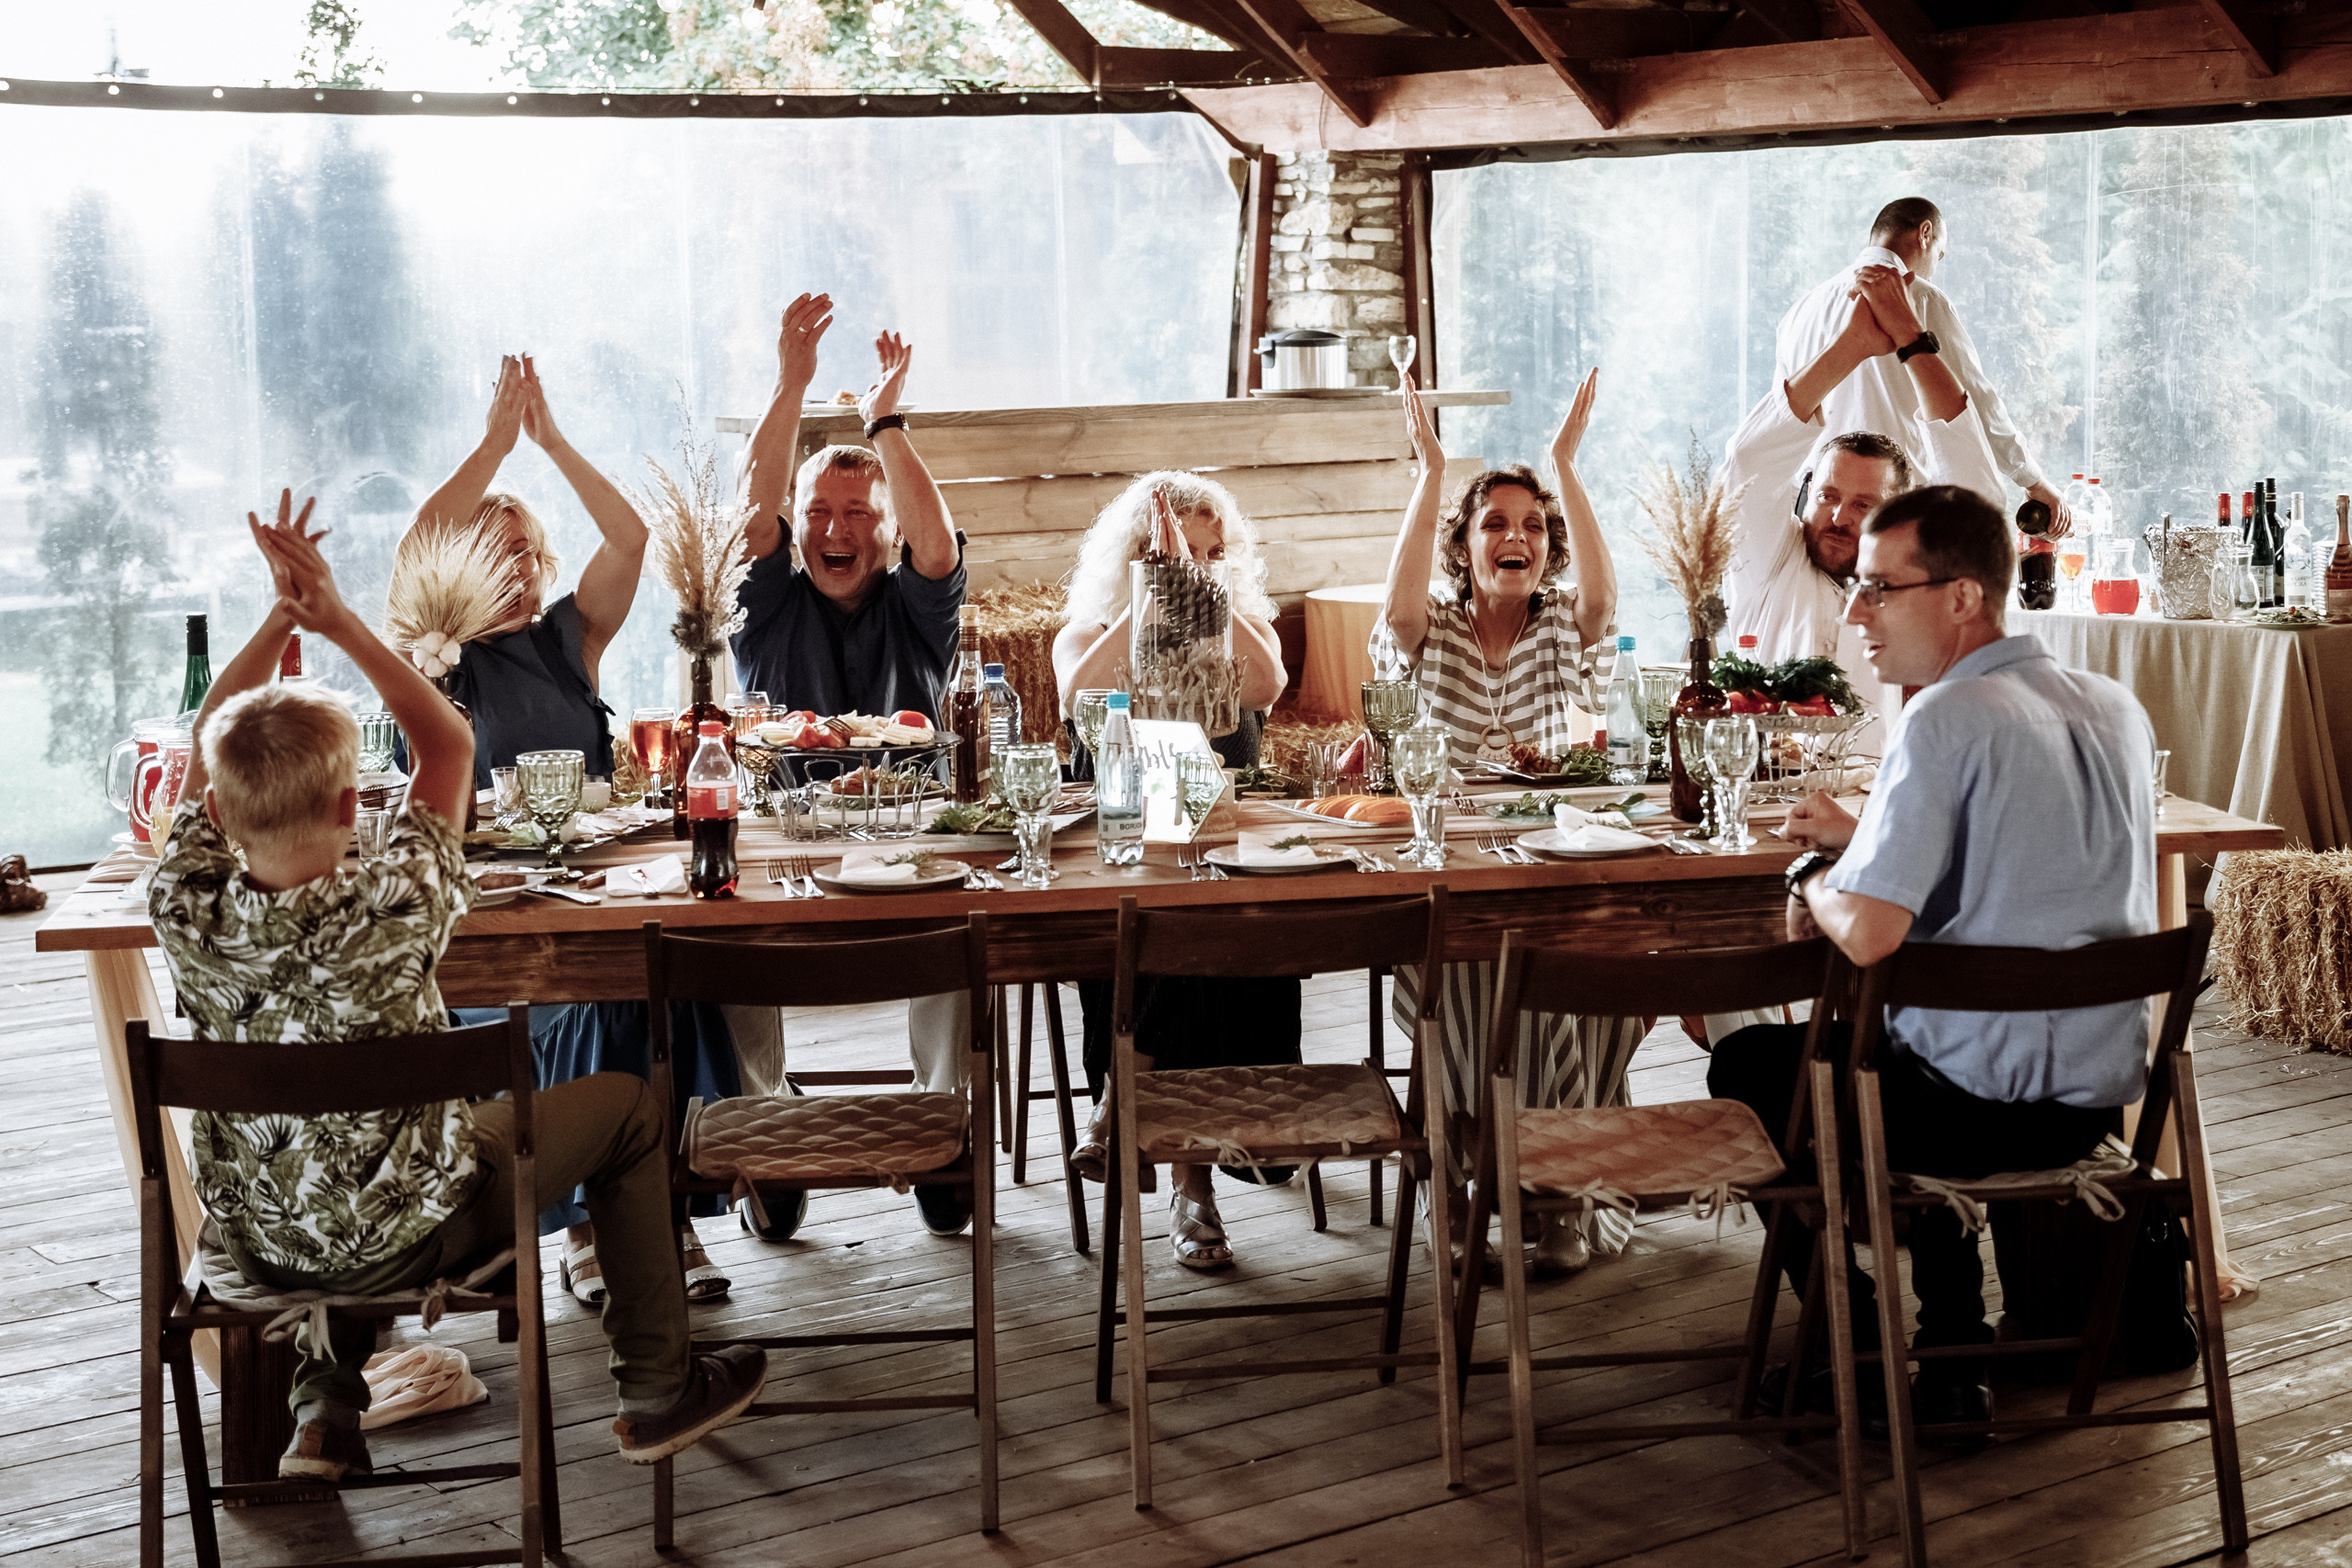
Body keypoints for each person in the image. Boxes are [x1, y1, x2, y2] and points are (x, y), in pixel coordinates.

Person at [150, 493, 763, 1483]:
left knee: (330, 1150)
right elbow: (447, 747)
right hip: (414, 1227)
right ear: (355, 803)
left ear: (217, 808)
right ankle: (656, 1387)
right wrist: (338, 618)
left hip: (259, 1241)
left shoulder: (185, 905)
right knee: (627, 1110)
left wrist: (279, 619)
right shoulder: (403, 895)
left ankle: (323, 1414)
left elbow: (199, 749)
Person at [1709, 483, 2157, 1430]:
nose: (1854, 612)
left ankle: (1863, 1338)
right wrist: (1867, 837)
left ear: (1963, 597)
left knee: (1755, 1061)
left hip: (1963, 1116)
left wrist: (1808, 882)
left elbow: (1869, 930)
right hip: (2088, 1111)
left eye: (1879, 589)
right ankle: (1951, 1351)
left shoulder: (1941, 718)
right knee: (1897, 1039)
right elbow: (2016, 864)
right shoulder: (2114, 705)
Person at [402, 355, 741, 1307]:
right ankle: (601, 1230)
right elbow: (418, 538)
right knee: (609, 993)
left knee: (665, 974)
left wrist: (550, 443)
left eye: (521, 554)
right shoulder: (437, 666)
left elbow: (631, 537)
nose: (511, 572)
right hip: (495, 936)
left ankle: (660, 1215)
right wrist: (494, 446)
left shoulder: (566, 643)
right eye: (487, 553)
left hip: (595, 893)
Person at [1369, 372, 1641, 1277]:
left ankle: (1561, 1202)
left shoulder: (1567, 621)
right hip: (1449, 870)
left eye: (1531, 526)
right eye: (1494, 524)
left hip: (1558, 865)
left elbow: (1603, 592)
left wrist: (1565, 465)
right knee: (1462, 998)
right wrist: (1431, 473)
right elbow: (1397, 610)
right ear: (1465, 548)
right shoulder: (1431, 631)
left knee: (1580, 987)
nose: (1514, 536)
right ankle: (1460, 1197)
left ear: (1548, 549)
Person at [729, 294, 975, 1241]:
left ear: (884, 529)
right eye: (819, 514)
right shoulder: (765, 598)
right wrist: (791, 385)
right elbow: (755, 509)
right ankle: (766, 1133)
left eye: (857, 514)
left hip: (907, 832)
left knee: (961, 937)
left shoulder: (919, 605)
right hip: (774, 833)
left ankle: (942, 1128)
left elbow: (937, 539)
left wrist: (884, 424)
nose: (838, 530)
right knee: (723, 946)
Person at [1051, 472, 1295, 1270]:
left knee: (1193, 922)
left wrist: (1203, 592)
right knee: (1159, 923)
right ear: (1136, 557)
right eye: (1180, 552)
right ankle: (1195, 1189)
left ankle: (1120, 1101)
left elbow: (1269, 684)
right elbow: (1076, 693)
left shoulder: (1242, 625)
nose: (1197, 567)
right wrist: (1148, 594)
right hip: (1126, 860)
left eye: (1213, 552)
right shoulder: (1090, 630)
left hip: (1229, 859)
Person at [1724, 262, 2007, 686]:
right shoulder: (1770, 562)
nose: (1839, 518)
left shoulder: (1919, 592)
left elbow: (1973, 489)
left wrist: (1911, 338)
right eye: (1827, 496)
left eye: (1863, 505)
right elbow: (1749, 461)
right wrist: (1852, 345)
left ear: (1894, 516)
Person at [1773, 196, 2072, 533]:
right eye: (1939, 255)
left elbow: (1782, 420)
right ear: (1925, 233)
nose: (1935, 266)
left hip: (1816, 513)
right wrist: (2032, 480)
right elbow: (1974, 405)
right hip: (1892, 510)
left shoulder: (1801, 310)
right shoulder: (1923, 299)